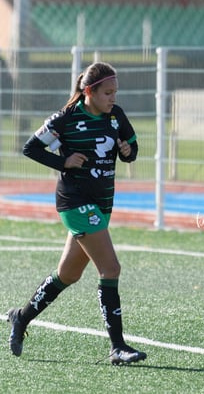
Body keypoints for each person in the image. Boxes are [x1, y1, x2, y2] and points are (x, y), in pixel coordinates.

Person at [7, 62, 147, 365]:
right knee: (111, 269)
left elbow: (133, 149)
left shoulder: (115, 115)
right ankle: (118, 347)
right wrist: (64, 162)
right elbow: (30, 148)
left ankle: (22, 316)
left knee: (68, 274)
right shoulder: (65, 119)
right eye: (107, 93)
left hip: (102, 203)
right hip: (74, 202)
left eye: (115, 92)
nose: (112, 98)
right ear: (89, 91)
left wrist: (127, 152)